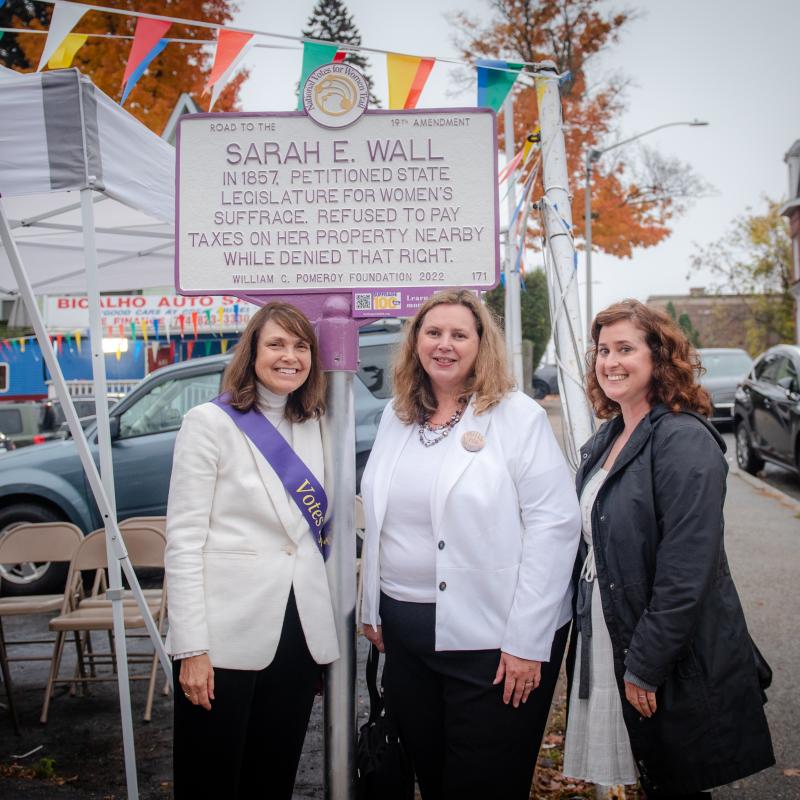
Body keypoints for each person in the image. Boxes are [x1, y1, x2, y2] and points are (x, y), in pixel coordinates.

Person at [360, 289, 581, 800]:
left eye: (460, 334)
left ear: (482, 345)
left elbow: (555, 525)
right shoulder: (398, 415)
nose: (445, 345)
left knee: (482, 784)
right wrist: (372, 605)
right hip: (406, 639)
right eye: (433, 333)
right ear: (415, 341)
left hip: (493, 643)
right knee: (434, 780)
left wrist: (528, 642)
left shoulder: (516, 416)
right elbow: (382, 519)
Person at [563, 299, 774, 799]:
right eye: (602, 350)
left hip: (666, 646)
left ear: (658, 356)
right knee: (650, 776)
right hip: (614, 626)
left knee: (676, 780)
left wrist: (646, 661)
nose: (609, 361)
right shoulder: (610, 435)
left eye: (625, 349)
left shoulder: (682, 438)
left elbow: (687, 567)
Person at [165, 302, 339, 800]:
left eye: (301, 346)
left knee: (273, 776)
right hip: (224, 638)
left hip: (297, 633)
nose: (290, 356)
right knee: (211, 779)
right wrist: (191, 648)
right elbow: (184, 542)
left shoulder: (317, 422)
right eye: (277, 345)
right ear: (253, 353)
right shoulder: (208, 423)